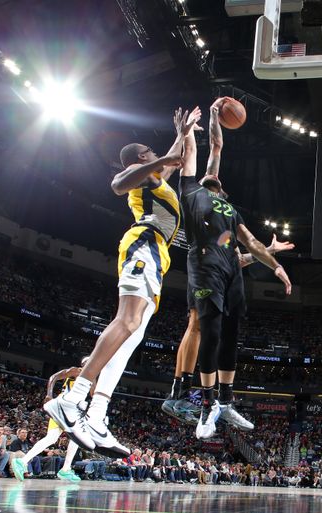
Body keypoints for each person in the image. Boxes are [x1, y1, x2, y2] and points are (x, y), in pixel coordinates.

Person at [45, 107, 201, 455]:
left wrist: (184, 132)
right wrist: (173, 148)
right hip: (142, 246)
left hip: (157, 258)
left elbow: (176, 160)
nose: (159, 159)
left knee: (131, 339)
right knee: (126, 321)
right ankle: (73, 398)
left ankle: (97, 415)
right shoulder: (136, 172)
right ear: (143, 157)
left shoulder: (157, 181)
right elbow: (118, 184)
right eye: (152, 154)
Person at [179, 99, 291, 439]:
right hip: (204, 270)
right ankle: (206, 406)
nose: (214, 170)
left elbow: (250, 246)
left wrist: (276, 265)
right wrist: (208, 117)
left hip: (231, 274)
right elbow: (213, 145)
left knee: (231, 336)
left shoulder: (229, 209)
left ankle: (225, 402)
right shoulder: (191, 191)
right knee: (209, 334)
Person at [163, 233, 294, 424]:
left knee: (194, 327)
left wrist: (269, 250)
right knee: (196, 327)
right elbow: (230, 256)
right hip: (205, 274)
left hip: (206, 272)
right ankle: (179, 396)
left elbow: (237, 260)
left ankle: (176, 395)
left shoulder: (223, 228)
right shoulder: (217, 222)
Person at [13, 361, 89, 482]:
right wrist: (49, 394)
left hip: (71, 409)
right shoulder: (77, 371)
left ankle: (22, 461)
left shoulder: (90, 379)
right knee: (75, 437)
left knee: (54, 438)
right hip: (63, 406)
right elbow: (54, 376)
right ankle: (65, 469)